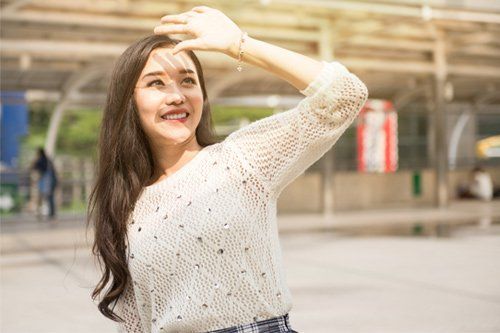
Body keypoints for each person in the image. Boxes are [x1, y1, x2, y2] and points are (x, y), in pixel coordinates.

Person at [87, 5, 368, 333]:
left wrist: (240, 45)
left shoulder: (241, 158)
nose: (176, 95)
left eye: (188, 81)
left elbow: (346, 95)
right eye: (156, 84)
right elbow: (135, 323)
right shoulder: (126, 202)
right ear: (129, 101)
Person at [31, 147, 58, 220]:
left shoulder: (41, 160)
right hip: (51, 181)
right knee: (50, 198)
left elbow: (33, 167)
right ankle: (51, 214)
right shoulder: (48, 160)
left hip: (46, 182)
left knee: (42, 197)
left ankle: (41, 214)